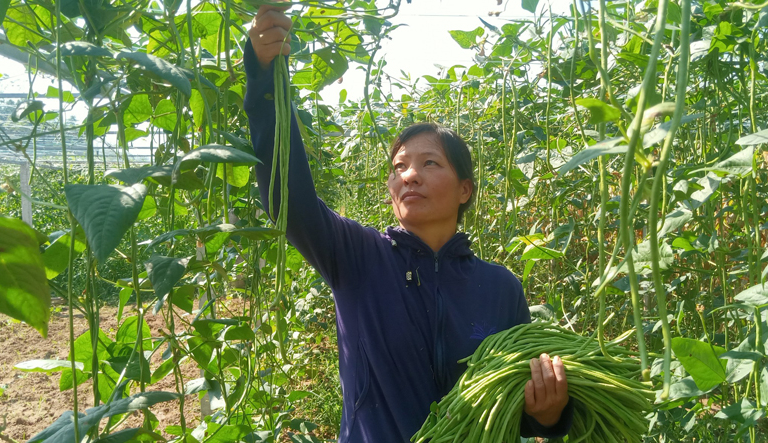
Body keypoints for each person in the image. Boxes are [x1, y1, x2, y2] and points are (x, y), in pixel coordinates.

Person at [244, 4, 573, 441]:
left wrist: (548, 416)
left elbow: (514, 407)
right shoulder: (356, 257)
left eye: (430, 163)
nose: (409, 175)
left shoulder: (500, 289)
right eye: (399, 167)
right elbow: (288, 196)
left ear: (465, 189)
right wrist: (267, 81)